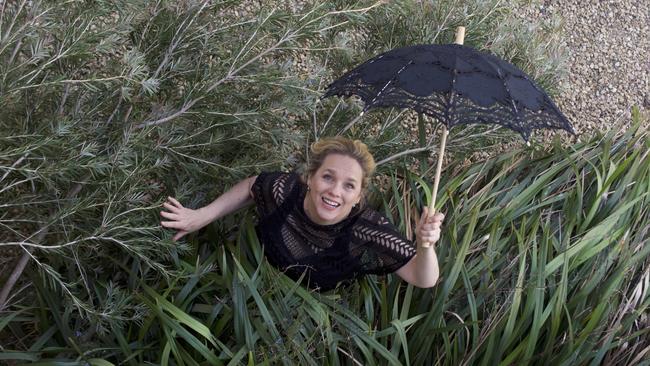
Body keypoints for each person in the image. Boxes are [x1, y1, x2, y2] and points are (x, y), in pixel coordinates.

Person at [160, 137, 444, 290]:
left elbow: (424, 279)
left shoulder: (365, 229)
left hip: (309, 313)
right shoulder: (287, 191)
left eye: (349, 186)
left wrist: (425, 246)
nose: (335, 191)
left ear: (358, 196)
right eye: (328, 177)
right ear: (310, 177)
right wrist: (202, 216)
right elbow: (251, 186)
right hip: (244, 279)